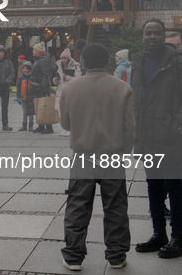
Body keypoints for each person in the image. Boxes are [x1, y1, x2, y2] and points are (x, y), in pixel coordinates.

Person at [59, 42, 134, 271]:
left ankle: (73, 256)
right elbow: (129, 127)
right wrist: (124, 152)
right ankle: (116, 255)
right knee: (115, 206)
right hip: (112, 156)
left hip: (83, 156)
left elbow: (65, 123)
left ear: (84, 62)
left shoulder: (71, 88)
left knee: (78, 206)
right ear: (107, 61)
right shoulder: (123, 89)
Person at [132, 19, 182, 259]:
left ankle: (179, 237)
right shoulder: (138, 61)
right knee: (153, 187)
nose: (152, 36)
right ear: (142, 36)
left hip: (170, 136)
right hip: (146, 135)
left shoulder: (176, 62)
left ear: (163, 36)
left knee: (175, 187)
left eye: (156, 33)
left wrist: (176, 124)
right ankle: (158, 233)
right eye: (148, 33)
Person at [53, 49, 82, 137]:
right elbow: (55, 82)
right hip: (60, 91)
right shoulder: (59, 67)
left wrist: (67, 77)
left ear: (69, 58)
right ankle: (64, 128)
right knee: (61, 112)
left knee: (70, 111)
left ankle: (71, 129)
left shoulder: (75, 66)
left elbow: (78, 80)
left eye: (65, 58)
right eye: (62, 58)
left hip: (71, 92)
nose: (63, 60)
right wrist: (55, 80)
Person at [31, 42, 54, 134]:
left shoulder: (43, 60)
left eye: (33, 50)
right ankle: (41, 125)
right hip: (37, 86)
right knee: (40, 106)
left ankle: (49, 126)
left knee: (46, 106)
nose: (32, 51)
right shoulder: (38, 59)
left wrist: (44, 86)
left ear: (37, 51)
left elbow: (45, 74)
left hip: (42, 86)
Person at [16, 61, 34, 131]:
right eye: (24, 68)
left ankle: (31, 125)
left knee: (31, 112)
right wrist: (18, 96)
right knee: (25, 111)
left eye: (27, 68)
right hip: (23, 97)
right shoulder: (21, 78)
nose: (25, 70)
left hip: (31, 97)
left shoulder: (32, 77)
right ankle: (24, 124)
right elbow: (18, 87)